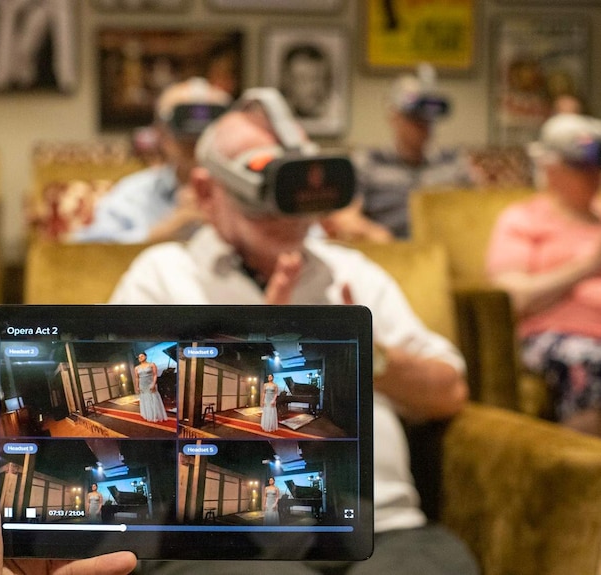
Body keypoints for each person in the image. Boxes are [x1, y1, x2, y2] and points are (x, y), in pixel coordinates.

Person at [110, 88, 478, 574]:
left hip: (383, 529)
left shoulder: (352, 273)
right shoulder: (162, 275)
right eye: (264, 201)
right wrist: (252, 359)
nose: (286, 217)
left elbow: (449, 392)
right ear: (205, 192)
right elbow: (126, 425)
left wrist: (358, 350)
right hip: (228, 534)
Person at [486, 113, 601, 436]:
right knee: (593, 363)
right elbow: (512, 297)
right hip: (554, 336)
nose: (593, 175)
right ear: (551, 168)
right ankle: (573, 476)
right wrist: (587, 267)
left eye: (597, 164)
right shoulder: (522, 220)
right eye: (581, 166)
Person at [0, 413, 138, 575]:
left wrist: (98, 505)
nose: (93, 489)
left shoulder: (96, 494)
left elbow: (99, 500)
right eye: (93, 489)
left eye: (93, 489)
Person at [322, 64, 473, 242]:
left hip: (442, 251)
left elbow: (477, 216)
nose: (424, 126)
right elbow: (343, 217)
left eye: (428, 119)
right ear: (394, 117)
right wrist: (373, 233)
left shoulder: (454, 163)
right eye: (415, 119)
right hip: (388, 253)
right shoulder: (368, 163)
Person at [71, 77, 231, 244]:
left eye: (207, 134)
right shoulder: (133, 194)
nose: (196, 142)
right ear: (159, 132)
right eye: (185, 137)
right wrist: (164, 231)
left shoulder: (249, 194)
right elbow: (82, 250)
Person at [279, 44, 333, 120]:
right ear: (287, 81)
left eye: (317, 79)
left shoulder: (333, 111)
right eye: (302, 79)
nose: (311, 88)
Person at [135, 352, 168, 422]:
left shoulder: (152, 364)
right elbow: (137, 378)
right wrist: (137, 386)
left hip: (150, 383)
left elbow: (155, 375)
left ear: (146, 356)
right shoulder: (136, 368)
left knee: (153, 399)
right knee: (145, 400)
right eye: (139, 357)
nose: (140, 358)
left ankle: (155, 415)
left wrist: (153, 384)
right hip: (142, 385)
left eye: (142, 356)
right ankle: (147, 415)